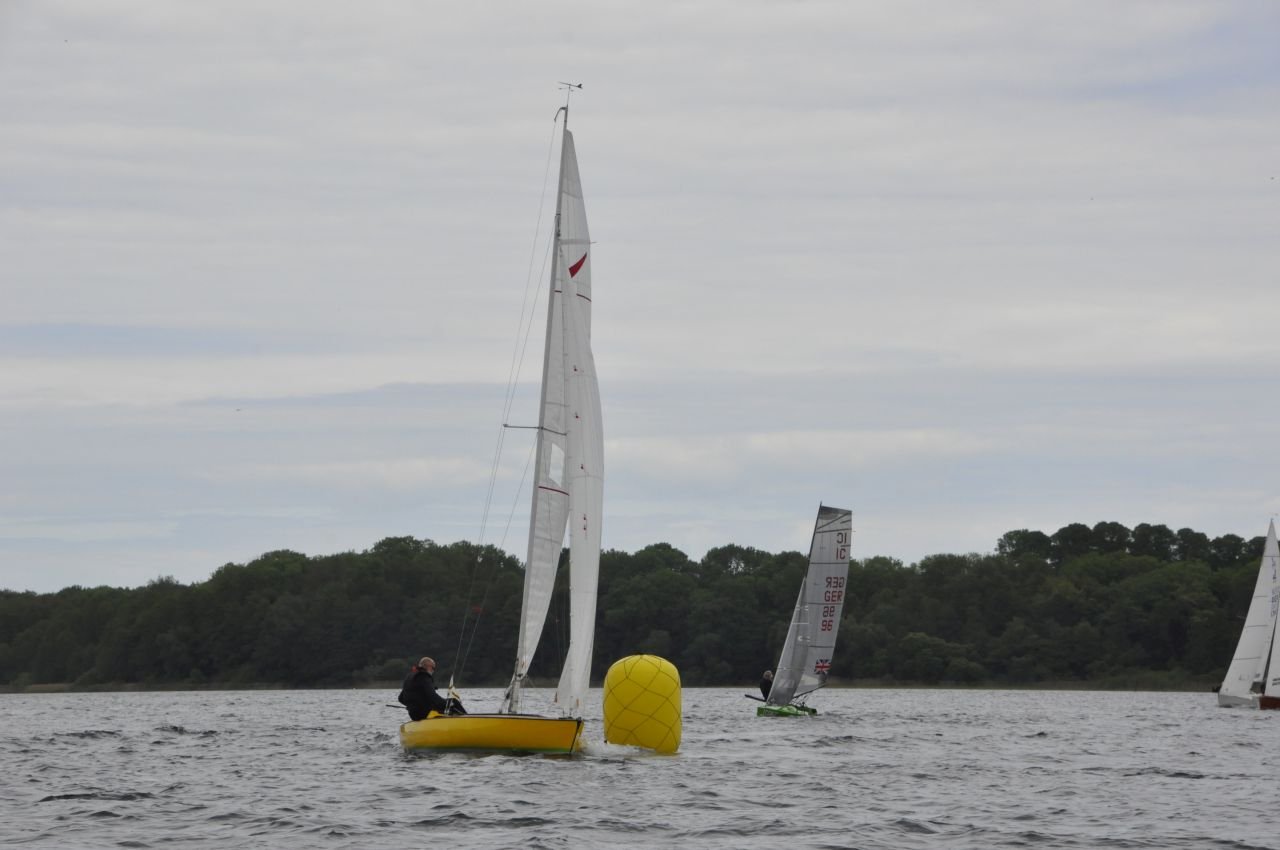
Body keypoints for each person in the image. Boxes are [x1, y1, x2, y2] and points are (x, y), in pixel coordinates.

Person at [398, 656, 466, 720]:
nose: (433, 670)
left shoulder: (409, 677)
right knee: (454, 702)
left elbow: (400, 698)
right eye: (433, 668)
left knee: (448, 705)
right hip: (424, 713)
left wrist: (411, 706)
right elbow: (433, 697)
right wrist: (447, 704)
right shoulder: (424, 676)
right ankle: (466, 719)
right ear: (429, 667)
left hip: (413, 714)